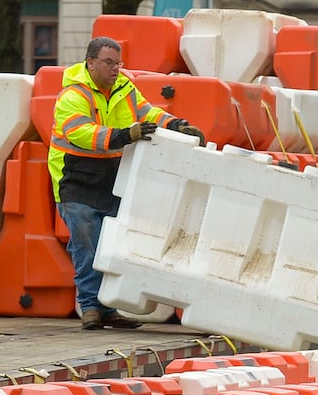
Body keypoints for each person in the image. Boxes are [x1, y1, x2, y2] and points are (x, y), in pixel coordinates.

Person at [49, 36, 205, 330]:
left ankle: (107, 308)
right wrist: (125, 135)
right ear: (91, 62)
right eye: (109, 63)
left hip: (112, 177)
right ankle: (92, 307)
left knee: (112, 246)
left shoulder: (124, 89)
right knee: (87, 245)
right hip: (75, 180)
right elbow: (80, 133)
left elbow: (148, 113)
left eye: (118, 63)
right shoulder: (73, 96)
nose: (115, 69)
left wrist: (177, 125)